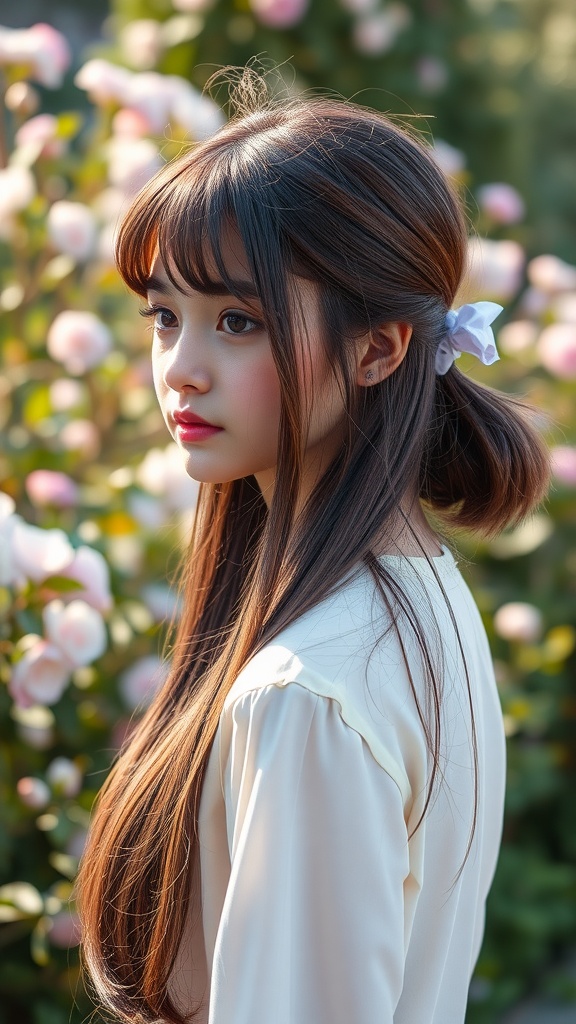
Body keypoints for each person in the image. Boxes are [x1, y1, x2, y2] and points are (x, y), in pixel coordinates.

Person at [76, 70, 550, 1024]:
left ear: (378, 351)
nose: (181, 368)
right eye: (166, 315)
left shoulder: (309, 692)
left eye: (237, 322)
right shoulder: (422, 602)